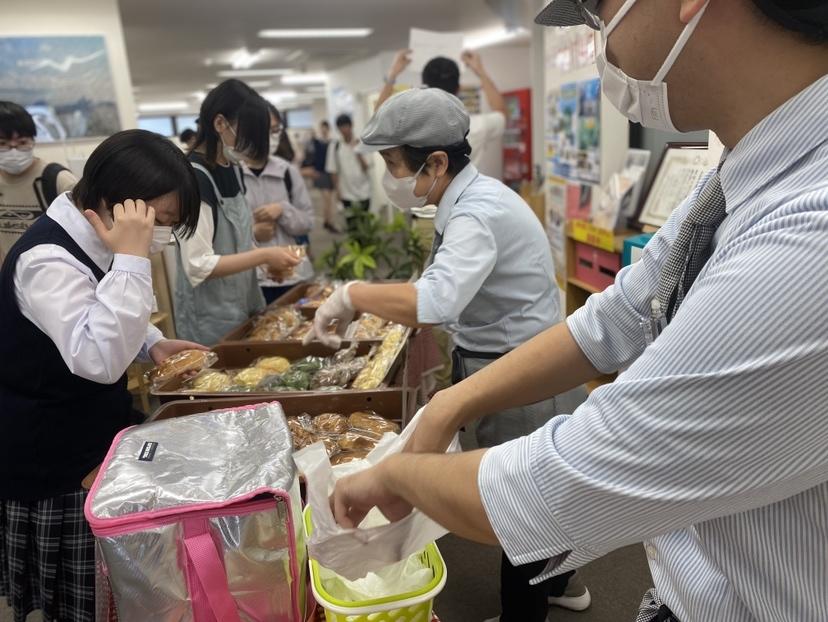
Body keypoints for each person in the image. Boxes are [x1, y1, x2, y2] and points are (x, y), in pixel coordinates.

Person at [331, 1, 828, 621]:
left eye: (599, 11)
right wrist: (448, 404)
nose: (598, 40)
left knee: (532, 542)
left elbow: (555, 486)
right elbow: (613, 317)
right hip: (692, 578)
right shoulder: (739, 175)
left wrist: (398, 475)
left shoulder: (807, 229)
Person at [304, 87, 589, 620]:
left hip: (522, 370)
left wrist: (352, 293)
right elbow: (438, 281)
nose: (391, 179)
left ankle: (526, 610)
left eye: (394, 165)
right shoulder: (466, 200)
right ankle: (560, 584)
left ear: (436, 161)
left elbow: (434, 300)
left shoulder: (475, 213)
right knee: (542, 493)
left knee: (523, 505)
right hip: (507, 358)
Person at [0, 129, 207, 622]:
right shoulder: (47, 258)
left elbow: (99, 317)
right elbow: (96, 357)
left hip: (90, 433)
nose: (159, 235)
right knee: (81, 602)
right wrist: (133, 257)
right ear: (122, 205)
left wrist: (152, 343)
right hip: (52, 454)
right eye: (163, 221)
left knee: (112, 592)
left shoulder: (94, 237)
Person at [175, 79, 300, 345]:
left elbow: (235, 244)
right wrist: (264, 254)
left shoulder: (232, 168)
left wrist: (267, 262)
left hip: (242, 306)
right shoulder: (194, 178)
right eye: (248, 135)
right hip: (210, 321)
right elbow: (198, 265)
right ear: (220, 123)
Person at [377, 49, 507, 179]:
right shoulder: (477, 125)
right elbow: (501, 112)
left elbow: (378, 120)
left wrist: (392, 74)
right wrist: (480, 71)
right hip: (468, 196)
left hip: (422, 197)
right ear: (459, 88)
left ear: (423, 88)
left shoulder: (409, 126)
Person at [244, 104, 314, 304]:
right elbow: (222, 237)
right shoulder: (233, 176)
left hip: (292, 273)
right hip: (253, 280)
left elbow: (308, 222)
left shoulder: (287, 171)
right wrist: (252, 232)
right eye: (266, 130)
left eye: (276, 130)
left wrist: (283, 210)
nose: (272, 136)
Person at [0, 101, 77, 262]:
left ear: (33, 141)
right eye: (3, 144)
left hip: (53, 277)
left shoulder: (58, 180)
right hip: (7, 279)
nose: (13, 151)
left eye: (22, 143)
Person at [326, 113, 371, 232]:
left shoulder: (362, 142)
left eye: (346, 126)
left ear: (351, 126)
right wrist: (337, 191)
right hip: (346, 192)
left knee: (365, 224)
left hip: (364, 191)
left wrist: (357, 151)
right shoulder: (335, 146)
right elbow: (333, 170)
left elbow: (367, 167)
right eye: (341, 127)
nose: (344, 130)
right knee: (352, 225)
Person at [303, 120, 339, 233]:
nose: (324, 130)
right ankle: (328, 222)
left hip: (330, 172)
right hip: (320, 173)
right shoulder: (316, 142)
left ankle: (327, 221)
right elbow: (309, 154)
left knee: (330, 199)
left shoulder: (333, 142)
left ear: (328, 129)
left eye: (326, 128)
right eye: (322, 127)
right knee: (327, 198)